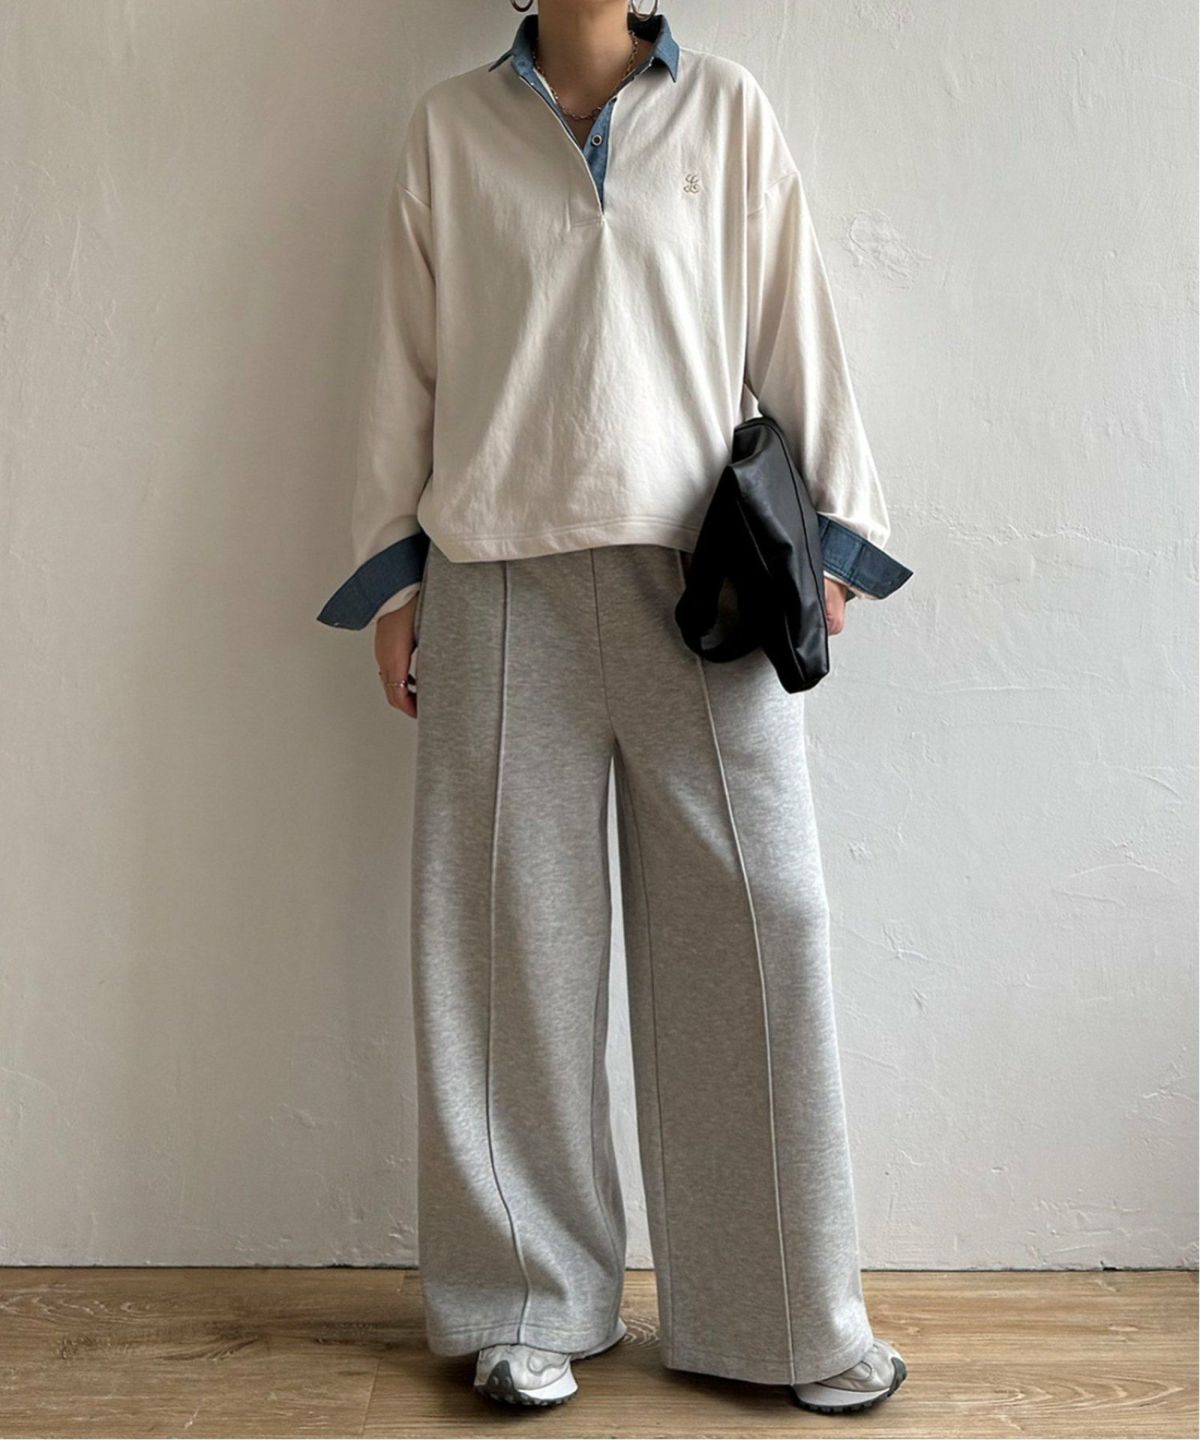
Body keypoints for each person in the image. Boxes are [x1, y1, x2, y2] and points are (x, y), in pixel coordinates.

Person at [317, 0, 911, 1417]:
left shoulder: (727, 112)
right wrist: (395, 578)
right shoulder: (450, 131)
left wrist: (834, 538)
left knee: (763, 932)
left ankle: (780, 1316)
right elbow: (402, 365)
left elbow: (794, 323)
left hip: (706, 585)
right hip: (495, 582)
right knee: (505, 955)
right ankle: (525, 1306)